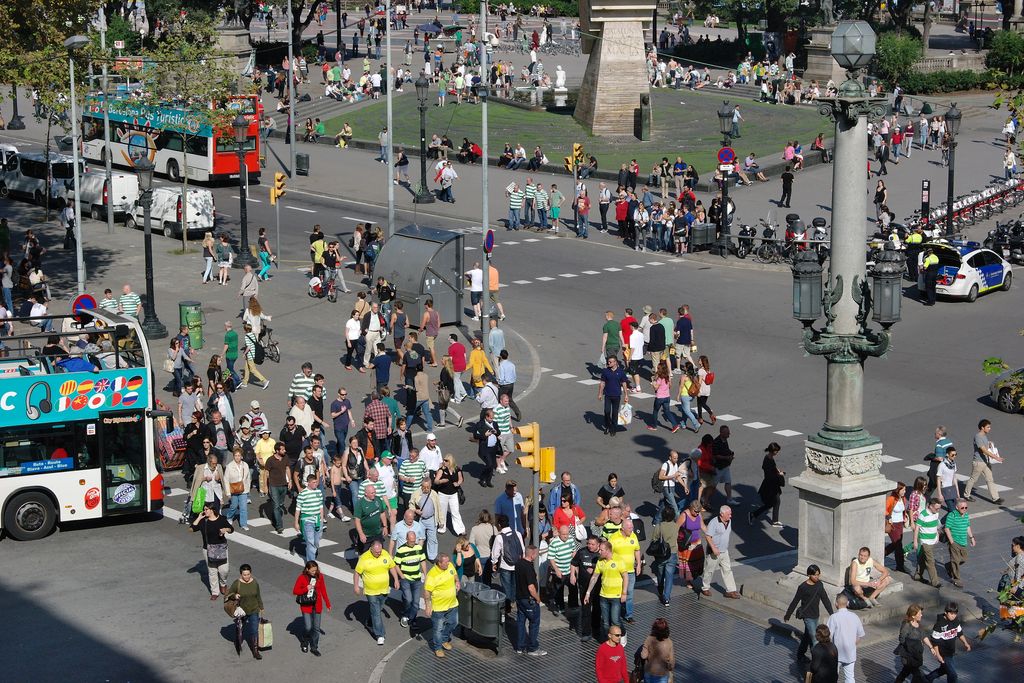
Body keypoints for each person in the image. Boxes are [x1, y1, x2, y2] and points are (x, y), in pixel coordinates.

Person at [354, 538, 401, 645]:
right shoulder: (364, 558)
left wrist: (396, 580)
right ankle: (380, 634)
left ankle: (370, 622)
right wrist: (356, 586)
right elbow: (357, 572)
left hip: (384, 589)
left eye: (380, 551)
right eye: (376, 552)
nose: (378, 553)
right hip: (371, 591)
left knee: (378, 610)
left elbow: (392, 567)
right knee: (376, 612)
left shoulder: (384, 554)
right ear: (371, 549)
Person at [784, 564, 833, 661]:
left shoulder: (820, 585)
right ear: (809, 575)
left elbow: (825, 599)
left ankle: (800, 655)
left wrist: (832, 614)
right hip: (807, 617)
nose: (817, 577)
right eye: (815, 575)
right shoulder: (803, 587)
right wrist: (788, 614)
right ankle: (817, 660)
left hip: (816, 615)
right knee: (815, 639)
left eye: (818, 575)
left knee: (807, 636)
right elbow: (795, 601)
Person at [585, 539, 629, 645]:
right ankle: (608, 642)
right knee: (605, 623)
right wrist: (588, 592)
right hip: (603, 595)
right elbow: (595, 577)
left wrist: (624, 593)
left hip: (616, 596)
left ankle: (622, 634)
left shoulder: (618, 560)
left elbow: (625, 576)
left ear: (608, 550)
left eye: (601, 550)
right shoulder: (600, 561)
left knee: (615, 621)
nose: (599, 552)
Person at [191, 501, 234, 599]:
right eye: (204, 509)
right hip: (208, 549)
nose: (204, 511)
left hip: (221, 548)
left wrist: (225, 530)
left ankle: (223, 584)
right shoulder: (203, 521)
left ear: (212, 510)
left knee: (224, 570)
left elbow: (231, 529)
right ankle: (215, 592)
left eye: (206, 509)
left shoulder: (221, 519)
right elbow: (191, 529)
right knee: (212, 571)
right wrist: (199, 517)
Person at [923, 602, 971, 682]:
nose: (953, 615)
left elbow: (959, 633)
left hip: (950, 651)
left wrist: (965, 643)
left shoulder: (956, 621)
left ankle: (927, 679)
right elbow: (935, 642)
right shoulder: (939, 625)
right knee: (953, 675)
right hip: (943, 653)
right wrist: (938, 655)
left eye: (955, 613)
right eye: (951, 613)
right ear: (946, 612)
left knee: (944, 669)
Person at [423, 553, 460, 657]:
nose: (449, 563)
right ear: (439, 563)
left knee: (454, 623)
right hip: (439, 608)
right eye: (446, 562)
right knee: (438, 629)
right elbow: (427, 592)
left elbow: (454, 574)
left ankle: (444, 640)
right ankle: (438, 647)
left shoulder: (450, 566)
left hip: (452, 604)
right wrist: (428, 605)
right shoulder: (432, 575)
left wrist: (457, 581)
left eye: (448, 561)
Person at [292, 560, 331, 656]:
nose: (315, 572)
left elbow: (323, 590)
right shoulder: (302, 578)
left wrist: (327, 603)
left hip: (317, 605)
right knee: (308, 627)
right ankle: (305, 640)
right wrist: (306, 588)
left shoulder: (319, 576)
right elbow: (295, 591)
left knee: (316, 628)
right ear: (307, 569)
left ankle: (314, 647)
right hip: (306, 605)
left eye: (316, 570)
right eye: (312, 571)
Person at [226, 564, 265, 660]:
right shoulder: (237, 583)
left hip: (254, 609)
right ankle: (238, 642)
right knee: (240, 628)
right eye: (244, 574)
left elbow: (258, 595)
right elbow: (229, 594)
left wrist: (261, 607)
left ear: (251, 573)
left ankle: (255, 651)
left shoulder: (255, 583)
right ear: (241, 574)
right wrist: (235, 596)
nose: (246, 576)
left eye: (248, 574)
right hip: (242, 611)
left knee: (254, 630)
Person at [514, 545, 546, 656]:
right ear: (532, 554)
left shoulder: (519, 564)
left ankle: (520, 646)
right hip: (529, 600)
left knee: (521, 622)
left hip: (520, 598)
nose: (536, 555)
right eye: (536, 553)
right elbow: (531, 587)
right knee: (534, 623)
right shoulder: (528, 568)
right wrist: (538, 599)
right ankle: (532, 648)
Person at [701, 505, 739, 598]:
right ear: (722, 514)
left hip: (724, 551)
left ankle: (731, 590)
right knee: (709, 571)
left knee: (727, 570)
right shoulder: (714, 522)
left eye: (730, 514)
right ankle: (705, 588)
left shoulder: (729, 521)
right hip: (714, 551)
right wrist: (713, 548)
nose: (730, 516)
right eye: (728, 514)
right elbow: (708, 536)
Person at [965, 418, 1005, 504]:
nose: (989, 428)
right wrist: (996, 457)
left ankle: (996, 498)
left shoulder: (984, 436)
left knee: (990, 479)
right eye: (988, 427)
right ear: (982, 428)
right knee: (973, 479)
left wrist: (989, 443)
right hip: (979, 462)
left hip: (985, 462)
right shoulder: (978, 436)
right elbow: (983, 450)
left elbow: (985, 446)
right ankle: (966, 495)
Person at [827, 593, 864, 683]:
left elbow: (828, 636)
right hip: (850, 653)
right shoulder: (854, 616)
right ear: (847, 603)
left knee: (833, 676)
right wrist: (852, 644)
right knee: (850, 677)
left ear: (836, 604)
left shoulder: (834, 617)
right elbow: (860, 635)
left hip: (836, 653)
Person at [394, 530, 428, 629]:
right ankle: (405, 616)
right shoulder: (401, 550)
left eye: (414, 541)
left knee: (416, 602)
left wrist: (425, 574)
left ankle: (412, 619)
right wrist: (401, 575)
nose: (413, 543)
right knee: (408, 599)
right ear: (406, 539)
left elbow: (422, 561)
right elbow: (396, 564)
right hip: (406, 579)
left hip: (417, 579)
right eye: (411, 541)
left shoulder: (418, 548)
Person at [749, 442, 785, 527]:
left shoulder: (769, 457)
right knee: (775, 502)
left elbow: (773, 468)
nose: (777, 452)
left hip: (771, 485)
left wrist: (778, 471)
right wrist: (779, 475)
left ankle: (754, 515)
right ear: (773, 451)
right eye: (777, 451)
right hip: (770, 486)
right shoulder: (768, 460)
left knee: (772, 503)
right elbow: (769, 475)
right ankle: (773, 521)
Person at [944, 498, 975, 589]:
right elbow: (947, 528)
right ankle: (956, 579)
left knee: (964, 559)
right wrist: (951, 541)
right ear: (957, 507)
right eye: (962, 508)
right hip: (954, 541)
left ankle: (949, 566)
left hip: (963, 541)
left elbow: (967, 526)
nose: (964, 509)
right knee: (956, 560)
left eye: (966, 507)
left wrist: (971, 538)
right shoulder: (952, 515)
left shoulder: (965, 515)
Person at [650, 507, 678, 606]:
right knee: (669, 576)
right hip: (673, 553)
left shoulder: (659, 526)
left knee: (660, 573)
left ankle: (660, 588)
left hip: (661, 554)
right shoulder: (676, 526)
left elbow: (654, 539)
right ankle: (666, 598)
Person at [295, 473, 326, 562]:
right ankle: (311, 562)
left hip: (317, 519)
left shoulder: (318, 492)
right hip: (307, 519)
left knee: (317, 540)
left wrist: (321, 519)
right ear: (308, 483)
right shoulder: (302, 494)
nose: (316, 484)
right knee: (310, 541)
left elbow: (321, 506)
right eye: (313, 482)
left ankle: (311, 551)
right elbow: (298, 509)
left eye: (316, 482)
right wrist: (296, 523)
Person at [598, 355, 629, 436]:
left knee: (614, 413)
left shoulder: (621, 372)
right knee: (607, 411)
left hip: (616, 395)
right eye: (608, 361)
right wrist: (600, 393)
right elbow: (602, 383)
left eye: (610, 362)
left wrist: (626, 395)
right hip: (607, 395)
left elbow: (624, 383)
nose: (608, 363)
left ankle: (613, 428)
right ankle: (607, 426)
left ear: (615, 362)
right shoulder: (605, 371)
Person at [894, 604, 926, 683]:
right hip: (908, 655)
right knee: (917, 675)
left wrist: (931, 647)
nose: (921, 615)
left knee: (905, 672)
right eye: (919, 614)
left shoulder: (918, 624)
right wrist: (911, 646)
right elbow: (901, 639)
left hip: (916, 654)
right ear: (913, 616)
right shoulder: (906, 625)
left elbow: (923, 636)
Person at [223, 447, 252, 531]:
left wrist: (248, 489)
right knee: (234, 506)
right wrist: (228, 492)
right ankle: (229, 517)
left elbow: (248, 478)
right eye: (235, 455)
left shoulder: (245, 465)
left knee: (243, 508)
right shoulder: (229, 466)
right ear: (233, 456)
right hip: (234, 489)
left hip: (243, 490)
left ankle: (244, 524)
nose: (237, 457)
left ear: (242, 456)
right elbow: (226, 479)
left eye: (239, 455)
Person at [640, 618, 675, 683]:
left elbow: (643, 656)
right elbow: (671, 661)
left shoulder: (649, 639)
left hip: (649, 672)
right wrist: (670, 669)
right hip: (662, 674)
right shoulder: (669, 642)